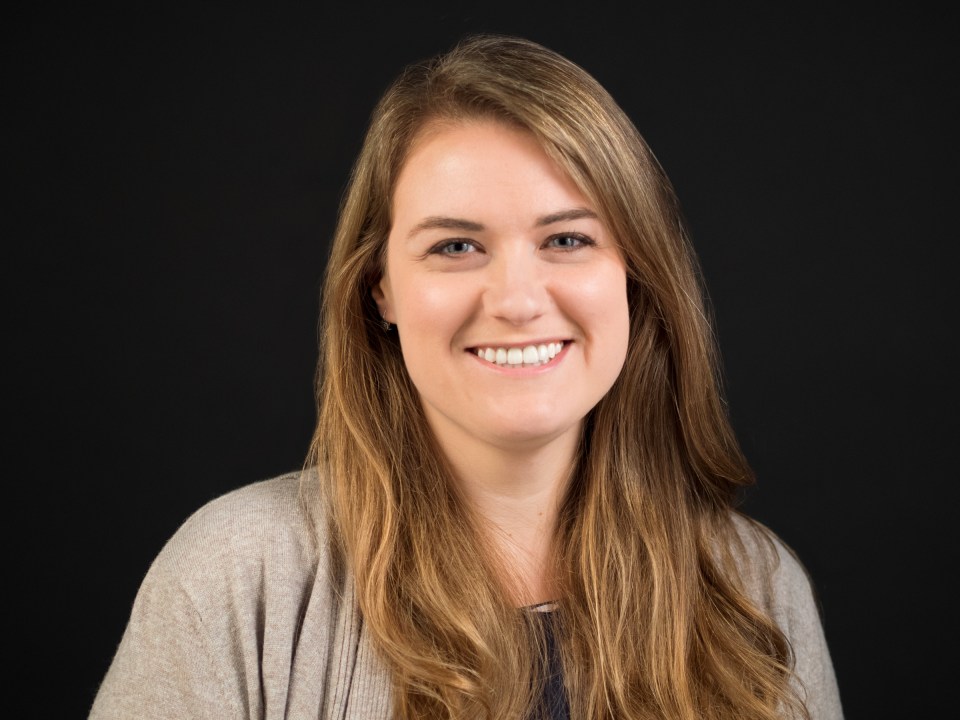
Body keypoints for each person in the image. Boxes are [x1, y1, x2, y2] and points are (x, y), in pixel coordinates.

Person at [89, 34, 843, 720]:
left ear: (636, 276)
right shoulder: (239, 576)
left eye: (569, 238)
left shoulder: (753, 587)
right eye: (455, 247)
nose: (516, 301)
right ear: (379, 287)